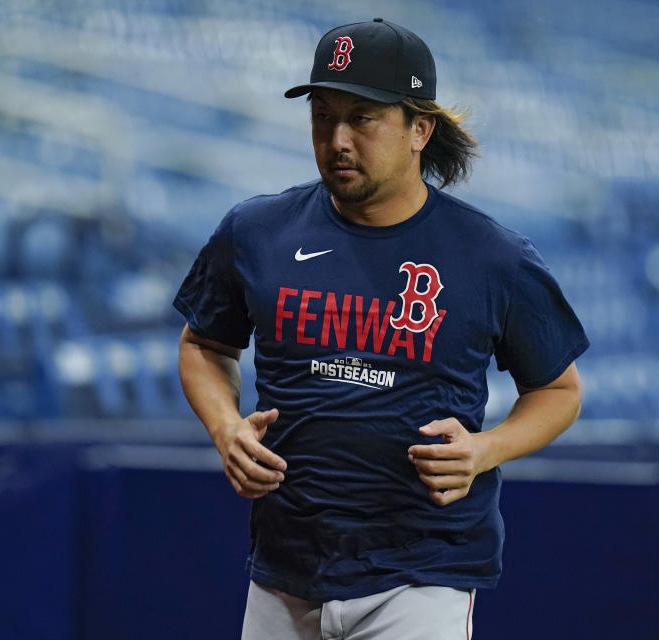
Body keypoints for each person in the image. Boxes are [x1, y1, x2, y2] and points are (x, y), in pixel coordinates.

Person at [174, 17, 589, 640]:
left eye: (362, 118)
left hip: (420, 573)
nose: (337, 139)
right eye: (322, 116)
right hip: (286, 569)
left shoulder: (491, 256)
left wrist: (484, 450)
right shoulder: (256, 231)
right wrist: (225, 426)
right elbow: (204, 346)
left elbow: (559, 391)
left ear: (420, 129)